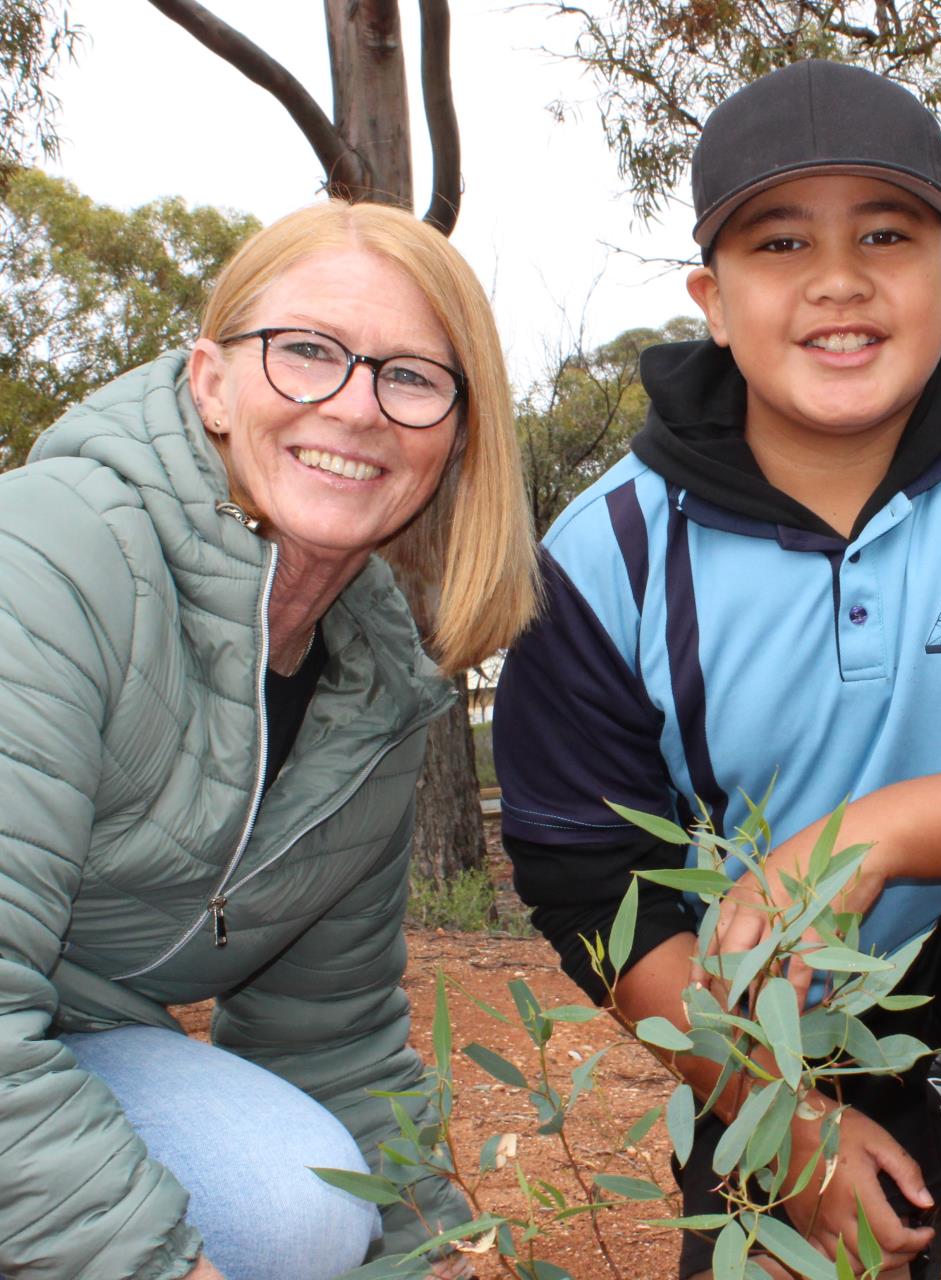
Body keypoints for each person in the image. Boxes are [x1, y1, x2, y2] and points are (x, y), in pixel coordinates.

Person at [493, 59, 941, 1280]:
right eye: (779, 243)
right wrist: (799, 1137)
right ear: (711, 299)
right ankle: (896, 1105)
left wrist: (866, 839)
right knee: (808, 1258)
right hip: (759, 982)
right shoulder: (605, 551)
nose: (839, 279)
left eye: (886, 232)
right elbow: (587, 883)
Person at [0, 200, 539, 1280]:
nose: (355, 406)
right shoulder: (52, 560)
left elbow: (327, 1032)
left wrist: (431, 1257)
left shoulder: (378, 683)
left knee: (296, 1205)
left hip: (73, 1033)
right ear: (210, 381)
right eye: (304, 351)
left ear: (457, 431)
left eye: (411, 376)